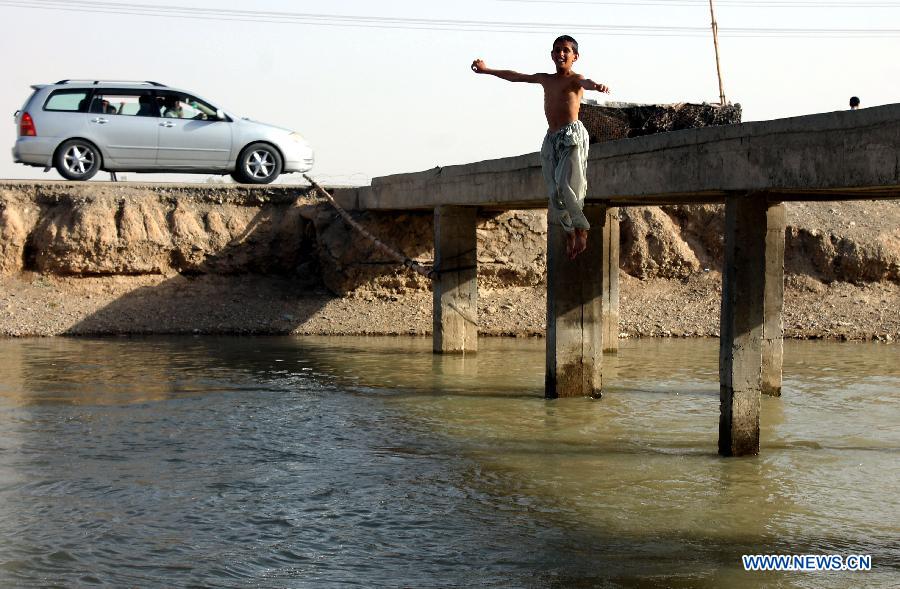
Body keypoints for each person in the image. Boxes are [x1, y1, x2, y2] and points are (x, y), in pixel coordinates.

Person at [472, 35, 610, 259]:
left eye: (566, 50)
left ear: (575, 56)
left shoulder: (576, 79)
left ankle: (581, 229)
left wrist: (597, 87)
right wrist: (487, 70)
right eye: (557, 50)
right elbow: (516, 77)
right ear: (552, 55)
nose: (561, 54)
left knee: (567, 185)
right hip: (552, 138)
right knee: (554, 192)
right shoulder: (546, 79)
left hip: (571, 136)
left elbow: (588, 83)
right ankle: (569, 232)